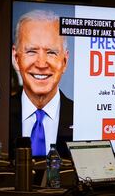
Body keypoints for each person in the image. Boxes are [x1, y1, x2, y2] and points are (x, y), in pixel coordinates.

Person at [9, 9, 73, 157]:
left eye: (51, 52)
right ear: (16, 58)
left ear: (64, 61)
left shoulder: (81, 117)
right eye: (31, 51)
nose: (41, 64)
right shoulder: (0, 119)